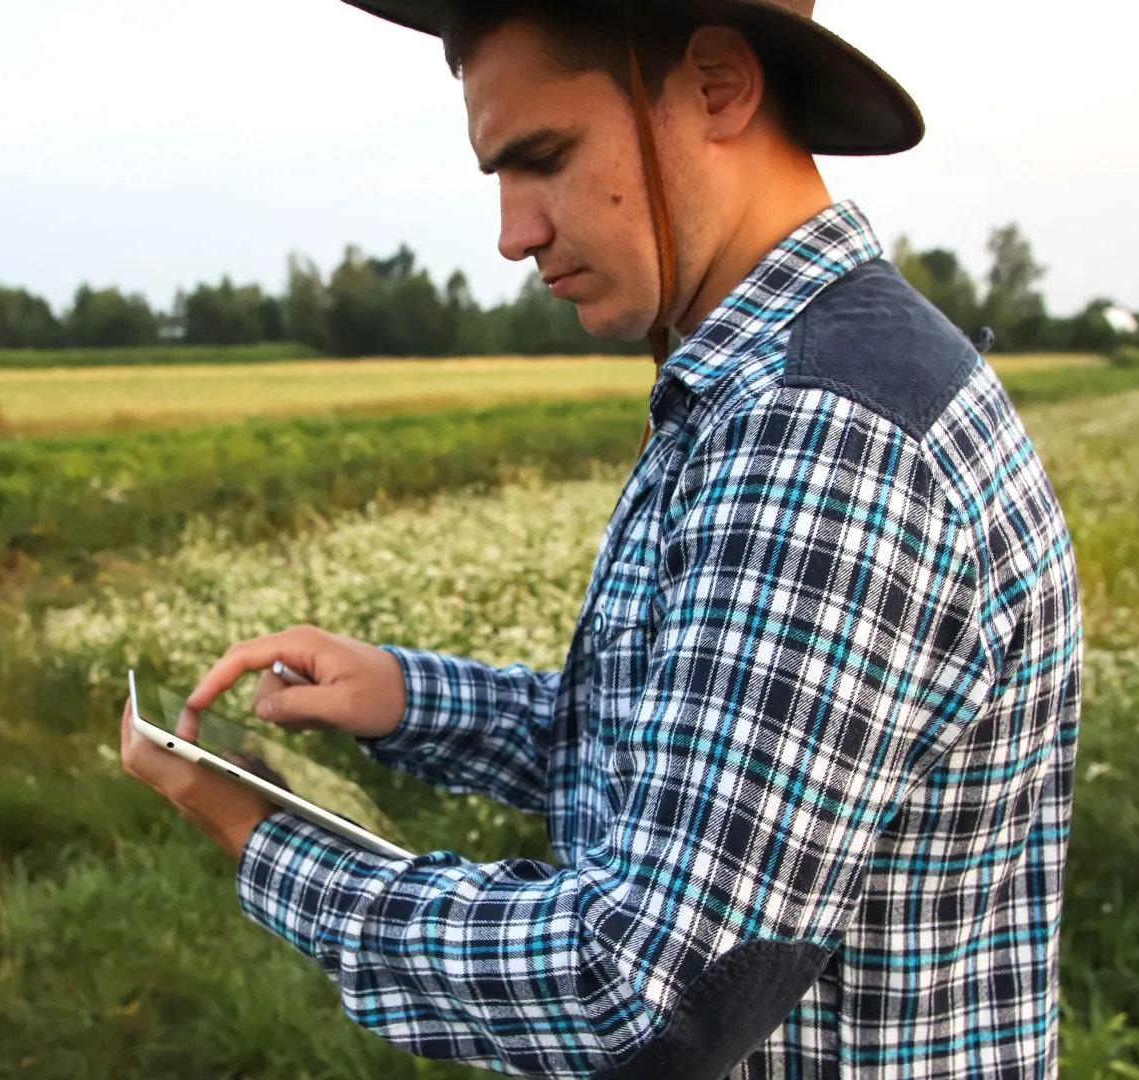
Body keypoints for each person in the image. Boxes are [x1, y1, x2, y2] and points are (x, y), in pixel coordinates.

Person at [118, 1, 1082, 1076]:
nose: (513, 232)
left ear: (717, 84)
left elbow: (637, 986)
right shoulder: (770, 384)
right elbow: (679, 762)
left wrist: (265, 841)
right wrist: (407, 697)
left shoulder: (820, 433)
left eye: (545, 158)